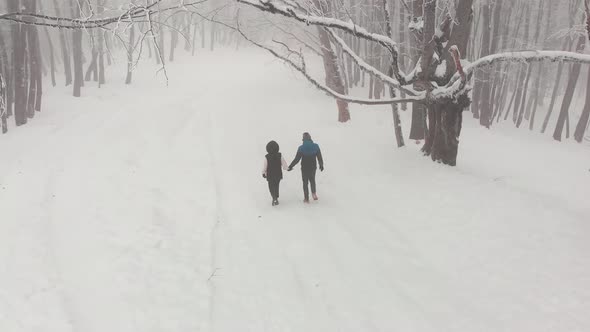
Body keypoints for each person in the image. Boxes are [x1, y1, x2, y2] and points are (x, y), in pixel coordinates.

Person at [288, 132, 324, 203]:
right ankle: (314, 194)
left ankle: (306, 198)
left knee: (305, 183)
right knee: (312, 180)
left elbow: (297, 159)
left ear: (303, 139)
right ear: (310, 138)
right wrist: (321, 165)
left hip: (304, 168)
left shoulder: (301, 148)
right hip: (313, 167)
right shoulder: (316, 146)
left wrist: (291, 166)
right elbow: (319, 157)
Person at [262, 140, 288, 206]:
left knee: (271, 187)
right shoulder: (280, 155)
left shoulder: (267, 157)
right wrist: (287, 168)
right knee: (276, 186)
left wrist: (263, 173)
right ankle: (276, 196)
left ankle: (274, 197)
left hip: (270, 175)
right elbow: (284, 164)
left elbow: (265, 166)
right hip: (278, 174)